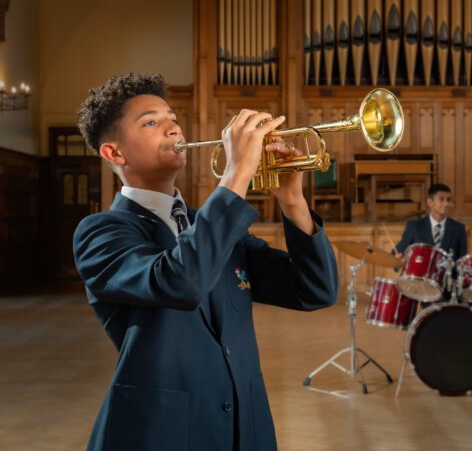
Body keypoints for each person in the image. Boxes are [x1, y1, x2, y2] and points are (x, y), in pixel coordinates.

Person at [72, 73, 338, 451]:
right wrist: (237, 173)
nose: (172, 127)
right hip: (159, 434)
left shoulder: (211, 224)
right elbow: (179, 281)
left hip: (247, 430)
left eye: (172, 117)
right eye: (151, 122)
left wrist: (292, 200)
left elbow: (315, 291)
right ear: (114, 154)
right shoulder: (100, 233)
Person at [394, 184, 472, 366]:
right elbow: (397, 255)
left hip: (454, 287)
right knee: (447, 314)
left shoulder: (458, 228)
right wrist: (398, 260)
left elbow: (461, 261)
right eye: (441, 199)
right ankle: (450, 359)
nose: (446, 204)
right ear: (430, 202)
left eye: (448, 200)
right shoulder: (415, 226)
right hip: (427, 289)